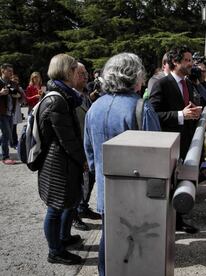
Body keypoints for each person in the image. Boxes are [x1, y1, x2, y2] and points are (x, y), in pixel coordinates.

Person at [84, 52, 146, 276]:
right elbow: (157, 151)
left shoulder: (94, 107)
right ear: (134, 76)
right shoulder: (140, 107)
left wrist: (100, 172)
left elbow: (89, 151)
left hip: (105, 187)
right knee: (136, 239)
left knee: (108, 235)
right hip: (138, 191)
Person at [37, 54, 86, 265]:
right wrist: (83, 159)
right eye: (75, 69)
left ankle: (64, 238)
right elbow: (67, 138)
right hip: (57, 163)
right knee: (55, 209)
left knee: (67, 203)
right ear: (67, 71)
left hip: (62, 160)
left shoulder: (63, 95)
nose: (78, 72)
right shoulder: (58, 99)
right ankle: (55, 251)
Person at [149, 46, 202, 234]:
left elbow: (187, 109)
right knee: (169, 184)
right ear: (175, 62)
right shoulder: (161, 84)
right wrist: (180, 115)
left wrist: (195, 113)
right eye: (187, 60)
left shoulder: (188, 84)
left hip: (186, 141)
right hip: (169, 143)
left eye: (191, 60)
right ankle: (163, 224)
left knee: (181, 182)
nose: (191, 64)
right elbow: (152, 114)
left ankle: (178, 221)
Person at [72, 62, 101, 231]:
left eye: (85, 73)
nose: (86, 77)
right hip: (78, 148)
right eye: (81, 74)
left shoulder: (83, 95)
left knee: (89, 180)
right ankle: (74, 215)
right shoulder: (69, 97)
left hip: (87, 145)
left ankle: (83, 208)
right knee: (78, 184)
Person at [0, 63, 17, 165]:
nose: (11, 73)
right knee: (7, 134)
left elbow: (15, 93)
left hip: (10, 112)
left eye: (12, 71)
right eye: (9, 71)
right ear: (2, 70)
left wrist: (17, 94)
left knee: (7, 134)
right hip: (1, 113)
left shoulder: (10, 83)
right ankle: (5, 157)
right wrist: (0, 93)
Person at [10, 74, 25, 148]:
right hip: (9, 110)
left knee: (13, 127)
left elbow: (23, 100)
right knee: (9, 128)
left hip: (16, 109)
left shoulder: (20, 88)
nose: (15, 80)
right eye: (14, 79)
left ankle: (13, 142)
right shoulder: (8, 86)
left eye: (17, 79)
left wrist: (20, 96)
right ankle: (13, 142)